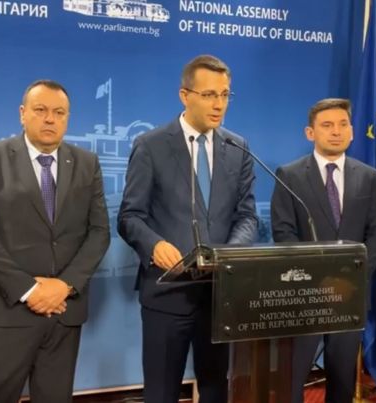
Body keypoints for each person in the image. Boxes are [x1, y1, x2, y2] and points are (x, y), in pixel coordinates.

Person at [118, 54, 258, 403]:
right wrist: (155, 245)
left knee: (215, 388)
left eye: (225, 95)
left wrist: (228, 255)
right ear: (185, 95)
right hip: (168, 293)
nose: (219, 104)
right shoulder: (151, 145)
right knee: (162, 392)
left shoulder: (237, 147)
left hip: (220, 294)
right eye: (209, 95)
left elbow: (247, 216)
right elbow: (130, 216)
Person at [0, 79, 111, 403]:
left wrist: (65, 285)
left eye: (59, 112)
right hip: (7, 313)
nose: (49, 119)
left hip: (63, 313)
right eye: (40, 110)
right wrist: (31, 290)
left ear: (67, 117)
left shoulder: (87, 163)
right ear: (22, 113)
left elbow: (99, 232)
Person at [270, 98, 376, 403]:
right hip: (304, 295)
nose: (336, 131)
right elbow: (284, 233)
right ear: (310, 133)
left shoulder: (368, 176)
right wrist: (317, 279)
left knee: (343, 380)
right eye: (327, 125)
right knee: (292, 379)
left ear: (352, 131)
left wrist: (352, 277)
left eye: (343, 124)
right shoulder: (289, 175)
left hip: (349, 294)